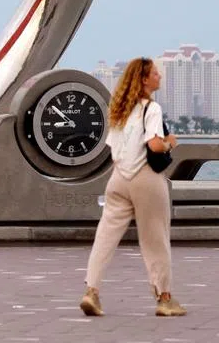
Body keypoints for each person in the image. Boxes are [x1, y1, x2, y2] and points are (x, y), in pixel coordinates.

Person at [80, 57, 187, 318]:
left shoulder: (119, 110)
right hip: (146, 179)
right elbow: (153, 145)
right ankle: (164, 298)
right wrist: (170, 142)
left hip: (117, 179)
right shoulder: (151, 108)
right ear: (143, 80)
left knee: (104, 237)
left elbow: (113, 147)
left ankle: (91, 292)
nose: (159, 76)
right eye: (154, 73)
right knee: (155, 239)